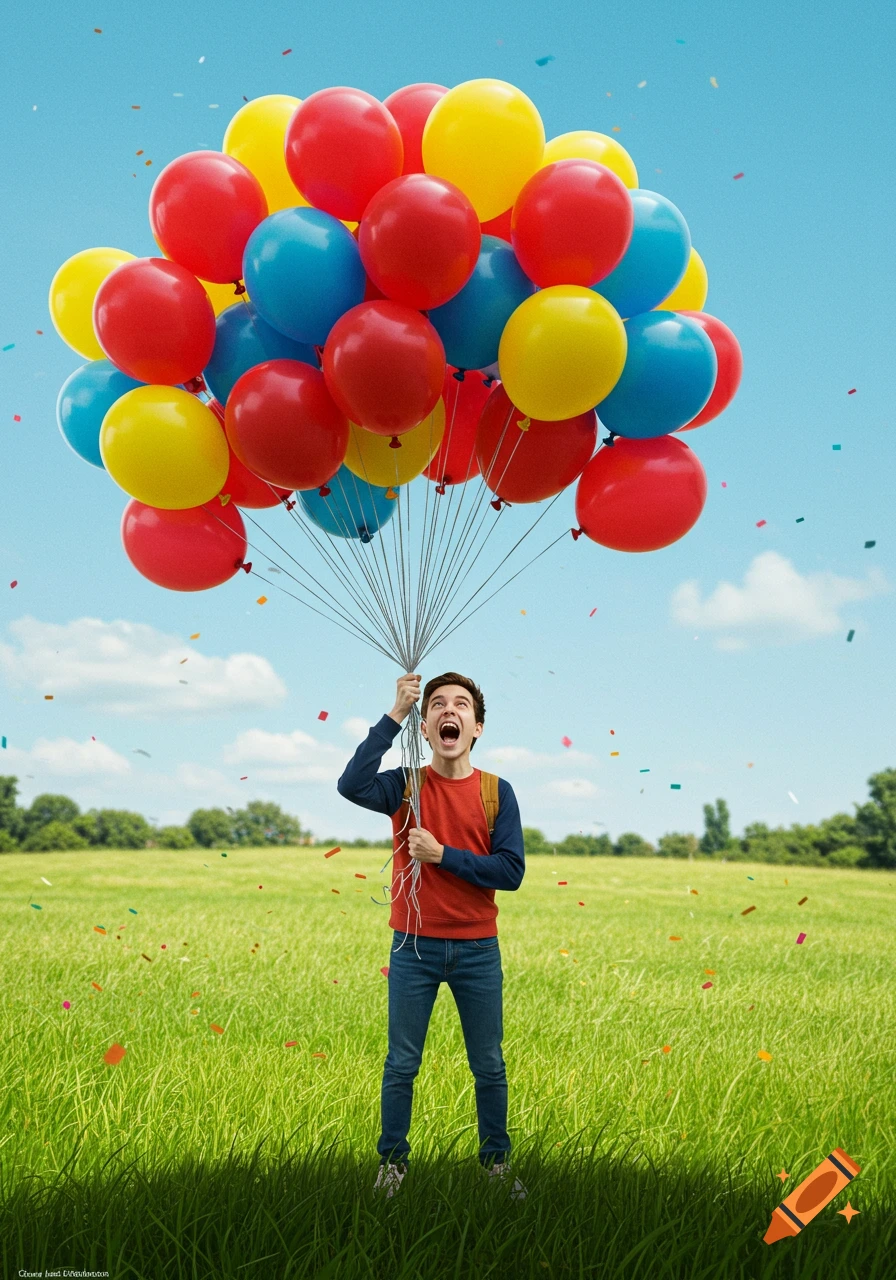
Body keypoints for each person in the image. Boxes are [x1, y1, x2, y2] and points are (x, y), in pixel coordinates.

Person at [337, 671, 526, 1200]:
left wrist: (442, 856)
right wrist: (393, 713)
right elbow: (350, 785)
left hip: (477, 951)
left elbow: (511, 872)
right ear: (426, 727)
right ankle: (392, 1167)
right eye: (437, 704)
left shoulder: (496, 792)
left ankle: (496, 1166)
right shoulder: (404, 785)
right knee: (401, 1064)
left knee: (488, 1064)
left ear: (476, 727)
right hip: (412, 948)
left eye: (461, 705)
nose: (450, 711)